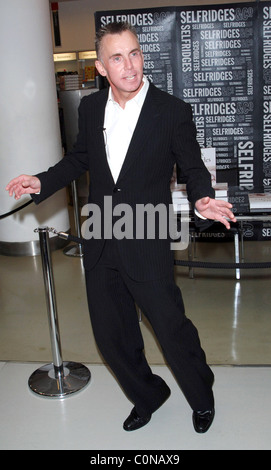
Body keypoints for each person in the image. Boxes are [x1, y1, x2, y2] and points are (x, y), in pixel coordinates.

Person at [6, 21, 236, 434]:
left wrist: (202, 196)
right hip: (99, 236)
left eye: (135, 54)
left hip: (146, 236)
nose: (129, 66)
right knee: (112, 336)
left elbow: (192, 165)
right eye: (117, 57)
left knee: (171, 328)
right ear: (101, 67)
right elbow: (80, 159)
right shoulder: (92, 109)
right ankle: (148, 395)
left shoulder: (171, 110)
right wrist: (42, 181)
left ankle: (202, 396)